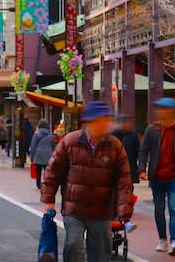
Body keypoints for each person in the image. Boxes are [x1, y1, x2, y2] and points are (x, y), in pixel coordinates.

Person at [41, 101, 134, 262]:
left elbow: (124, 182)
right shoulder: (70, 142)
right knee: (74, 245)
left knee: (100, 254)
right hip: (74, 208)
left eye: (107, 119)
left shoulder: (116, 146)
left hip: (102, 210)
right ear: (89, 121)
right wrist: (48, 199)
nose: (104, 124)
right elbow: (53, 172)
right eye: (99, 120)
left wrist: (123, 211)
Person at [138, 97, 175, 255]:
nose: (160, 112)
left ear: (172, 111)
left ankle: (174, 240)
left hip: (174, 178)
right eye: (159, 108)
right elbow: (143, 150)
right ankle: (162, 239)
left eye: (164, 109)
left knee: (174, 210)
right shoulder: (152, 129)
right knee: (159, 210)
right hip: (157, 178)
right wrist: (141, 169)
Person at [112, 114, 141, 184]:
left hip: (130, 165)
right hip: (116, 165)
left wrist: (140, 165)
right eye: (124, 122)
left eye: (128, 122)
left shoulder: (133, 135)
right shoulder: (113, 135)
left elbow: (138, 150)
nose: (126, 124)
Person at [30, 119, 55, 189]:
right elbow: (53, 145)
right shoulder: (51, 134)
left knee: (38, 170)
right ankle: (47, 182)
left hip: (38, 154)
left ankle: (38, 184)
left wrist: (31, 156)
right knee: (47, 170)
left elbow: (33, 145)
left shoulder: (36, 134)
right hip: (48, 154)